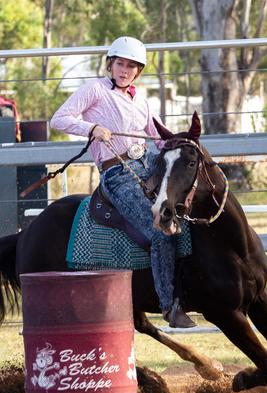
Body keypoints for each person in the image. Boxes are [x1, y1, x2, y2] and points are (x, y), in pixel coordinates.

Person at [50, 36, 196, 328]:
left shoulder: (141, 99)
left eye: (131, 66)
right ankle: (169, 304)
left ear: (138, 71)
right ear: (110, 64)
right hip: (117, 172)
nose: (124, 70)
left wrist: (181, 144)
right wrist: (91, 127)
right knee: (160, 229)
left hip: (148, 163)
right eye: (120, 63)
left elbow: (157, 138)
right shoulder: (94, 89)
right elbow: (59, 119)